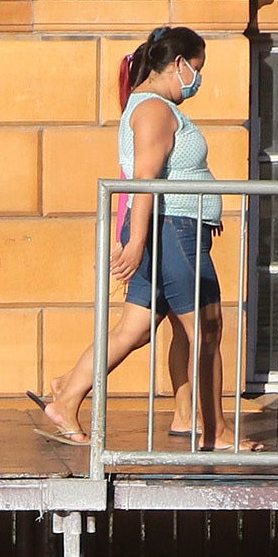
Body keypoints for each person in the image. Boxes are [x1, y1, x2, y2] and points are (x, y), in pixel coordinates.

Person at [36, 25, 230, 452]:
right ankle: (217, 431)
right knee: (208, 328)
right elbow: (145, 179)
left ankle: (66, 399)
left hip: (173, 228)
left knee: (134, 329)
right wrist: (138, 241)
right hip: (173, 230)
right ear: (178, 64)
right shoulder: (156, 109)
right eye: (197, 69)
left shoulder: (150, 106)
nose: (198, 80)